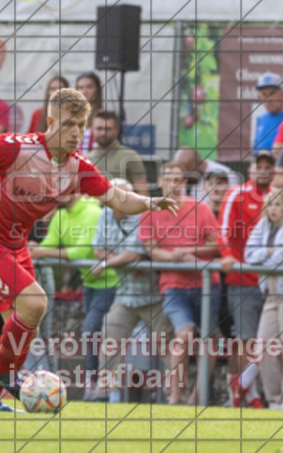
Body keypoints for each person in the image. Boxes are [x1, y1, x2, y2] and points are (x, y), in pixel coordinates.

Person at [0, 88, 178, 412]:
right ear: (50, 121)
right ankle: (5, 378)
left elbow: (117, 198)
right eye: (68, 124)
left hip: (14, 247)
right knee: (35, 302)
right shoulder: (19, 148)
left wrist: (149, 201)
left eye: (81, 125)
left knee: (24, 326)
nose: (76, 132)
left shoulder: (79, 168)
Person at [92, 178, 175, 404]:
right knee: (110, 336)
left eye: (125, 195)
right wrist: (118, 261)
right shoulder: (105, 215)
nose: (120, 200)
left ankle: (174, 396)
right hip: (126, 293)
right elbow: (99, 249)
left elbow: (134, 254)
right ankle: (103, 393)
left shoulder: (141, 216)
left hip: (152, 294)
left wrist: (111, 263)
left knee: (166, 344)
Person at [141, 165, 220, 406]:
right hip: (173, 285)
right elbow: (152, 250)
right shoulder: (150, 211)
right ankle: (175, 397)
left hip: (206, 285)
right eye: (170, 180)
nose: (175, 185)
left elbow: (215, 245)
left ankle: (196, 397)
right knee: (183, 335)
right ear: (160, 182)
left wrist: (188, 251)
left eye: (179, 180)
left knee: (209, 341)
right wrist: (177, 256)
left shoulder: (200, 208)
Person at [30, 193, 113, 400]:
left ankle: (96, 386)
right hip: (89, 283)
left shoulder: (92, 212)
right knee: (93, 334)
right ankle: (96, 385)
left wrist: (42, 253)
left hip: (110, 282)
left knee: (91, 332)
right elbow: (48, 245)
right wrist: (34, 249)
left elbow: (85, 252)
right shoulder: (60, 216)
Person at [219, 151, 274, 408]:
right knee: (245, 339)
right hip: (243, 280)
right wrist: (229, 256)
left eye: (268, 167)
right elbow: (224, 232)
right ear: (250, 169)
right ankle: (243, 395)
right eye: (258, 166)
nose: (263, 170)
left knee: (267, 340)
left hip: (272, 282)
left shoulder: (277, 195)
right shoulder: (236, 194)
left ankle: (250, 392)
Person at [243, 189, 283, 409]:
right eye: (269, 205)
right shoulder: (262, 225)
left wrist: (266, 254)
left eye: (277, 204)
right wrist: (267, 252)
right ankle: (274, 399)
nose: (273, 209)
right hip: (269, 292)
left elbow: (280, 259)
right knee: (263, 347)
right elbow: (249, 255)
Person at [86, 110, 148, 194]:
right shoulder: (87, 160)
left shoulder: (130, 156)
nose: (103, 133)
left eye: (107, 129)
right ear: (92, 129)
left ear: (116, 130)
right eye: (99, 128)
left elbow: (143, 193)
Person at [172, 146, 240, 204]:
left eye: (188, 172)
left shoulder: (225, 174)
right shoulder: (183, 178)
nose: (185, 177)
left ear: (198, 164)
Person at [253, 73, 283, 154]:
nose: (268, 99)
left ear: (282, 94)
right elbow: (256, 152)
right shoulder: (261, 119)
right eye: (264, 94)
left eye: (272, 94)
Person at [76, 72, 104, 153]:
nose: (84, 91)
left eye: (89, 87)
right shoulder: (71, 114)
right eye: (80, 88)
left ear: (97, 89)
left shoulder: (103, 115)